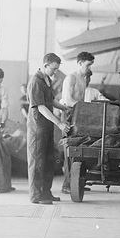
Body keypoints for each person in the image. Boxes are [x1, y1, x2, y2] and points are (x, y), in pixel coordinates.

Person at [27, 53, 71, 205]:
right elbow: (40, 107)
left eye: (57, 69)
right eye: (53, 69)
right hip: (38, 129)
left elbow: (51, 100)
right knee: (38, 162)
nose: (55, 72)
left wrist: (65, 108)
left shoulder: (47, 80)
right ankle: (36, 196)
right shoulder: (36, 82)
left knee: (48, 161)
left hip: (47, 127)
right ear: (45, 65)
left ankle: (46, 192)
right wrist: (59, 123)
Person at [60, 52, 95, 194]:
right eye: (87, 65)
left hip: (78, 113)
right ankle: (67, 185)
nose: (89, 68)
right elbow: (68, 100)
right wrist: (85, 108)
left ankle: (77, 181)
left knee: (81, 148)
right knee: (70, 150)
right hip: (68, 114)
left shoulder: (84, 78)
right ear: (80, 63)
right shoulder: (71, 78)